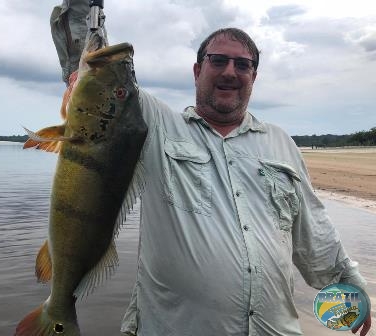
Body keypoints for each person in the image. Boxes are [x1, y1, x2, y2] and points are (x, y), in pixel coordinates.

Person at [50, 2, 371, 335]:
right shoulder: (156, 125)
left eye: (242, 64)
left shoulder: (281, 143)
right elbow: (98, 91)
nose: (230, 71)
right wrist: (84, 11)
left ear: (253, 76)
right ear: (196, 71)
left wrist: (349, 282)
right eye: (217, 61)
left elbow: (314, 231)